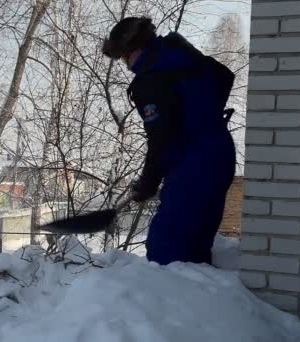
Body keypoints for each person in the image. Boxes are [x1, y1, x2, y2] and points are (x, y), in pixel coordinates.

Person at [102, 17, 236, 265]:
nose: (127, 64)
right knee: (194, 245)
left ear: (134, 49)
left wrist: (148, 182)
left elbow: (160, 138)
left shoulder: (153, 79)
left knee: (168, 251)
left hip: (193, 165)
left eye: (124, 56)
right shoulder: (183, 59)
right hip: (219, 153)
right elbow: (224, 77)